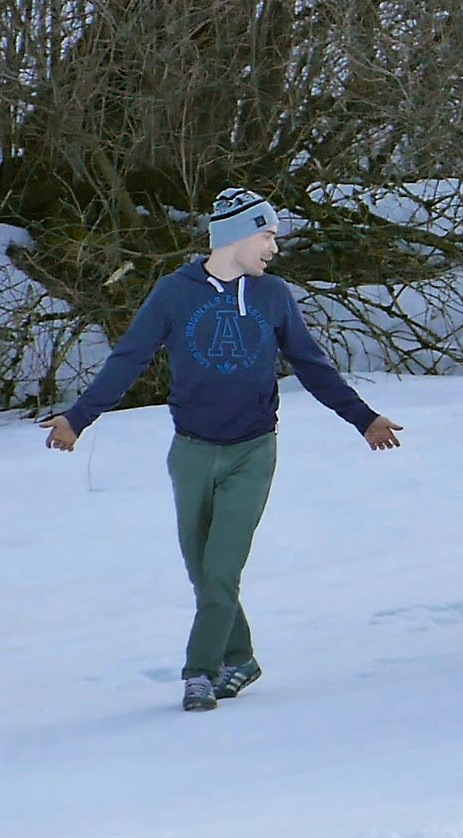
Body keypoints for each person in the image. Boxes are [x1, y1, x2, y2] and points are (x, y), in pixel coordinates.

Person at [40, 187, 403, 712]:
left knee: (220, 572)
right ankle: (243, 659)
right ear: (236, 235)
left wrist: (364, 419)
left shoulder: (273, 296)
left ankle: (200, 674)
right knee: (202, 572)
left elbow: (313, 366)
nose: (274, 249)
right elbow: (127, 361)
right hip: (190, 452)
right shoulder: (174, 293)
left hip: (252, 452)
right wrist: (77, 418)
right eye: (268, 235)